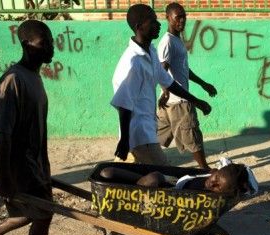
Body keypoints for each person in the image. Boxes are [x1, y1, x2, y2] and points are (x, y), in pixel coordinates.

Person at [0, 20, 66, 235]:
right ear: (26, 45)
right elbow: (3, 132)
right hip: (19, 166)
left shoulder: (33, 77)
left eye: (51, 42)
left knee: (39, 212)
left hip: (36, 163)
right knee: (41, 212)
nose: (50, 48)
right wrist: (4, 177)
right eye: (44, 43)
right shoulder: (13, 80)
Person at [111, 4, 211, 166]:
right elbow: (123, 104)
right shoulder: (133, 61)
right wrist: (124, 140)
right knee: (164, 176)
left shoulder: (150, 51)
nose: (157, 25)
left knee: (149, 178)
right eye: (152, 21)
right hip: (139, 135)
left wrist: (196, 101)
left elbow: (169, 82)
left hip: (148, 130)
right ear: (139, 27)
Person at [157, 2, 217, 170]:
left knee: (154, 139)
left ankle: (137, 161)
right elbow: (162, 70)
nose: (182, 21)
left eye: (184, 16)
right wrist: (166, 92)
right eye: (178, 17)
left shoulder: (177, 40)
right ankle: (206, 171)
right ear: (168, 18)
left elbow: (183, 68)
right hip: (178, 102)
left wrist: (203, 84)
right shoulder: (167, 42)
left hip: (172, 102)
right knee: (193, 138)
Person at [99, 163, 255, 196]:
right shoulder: (214, 175)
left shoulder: (209, 197)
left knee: (154, 177)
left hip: (166, 193)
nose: (212, 182)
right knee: (107, 172)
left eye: (217, 186)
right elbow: (230, 170)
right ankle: (125, 192)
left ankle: (127, 195)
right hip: (171, 180)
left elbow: (249, 189)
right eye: (215, 177)